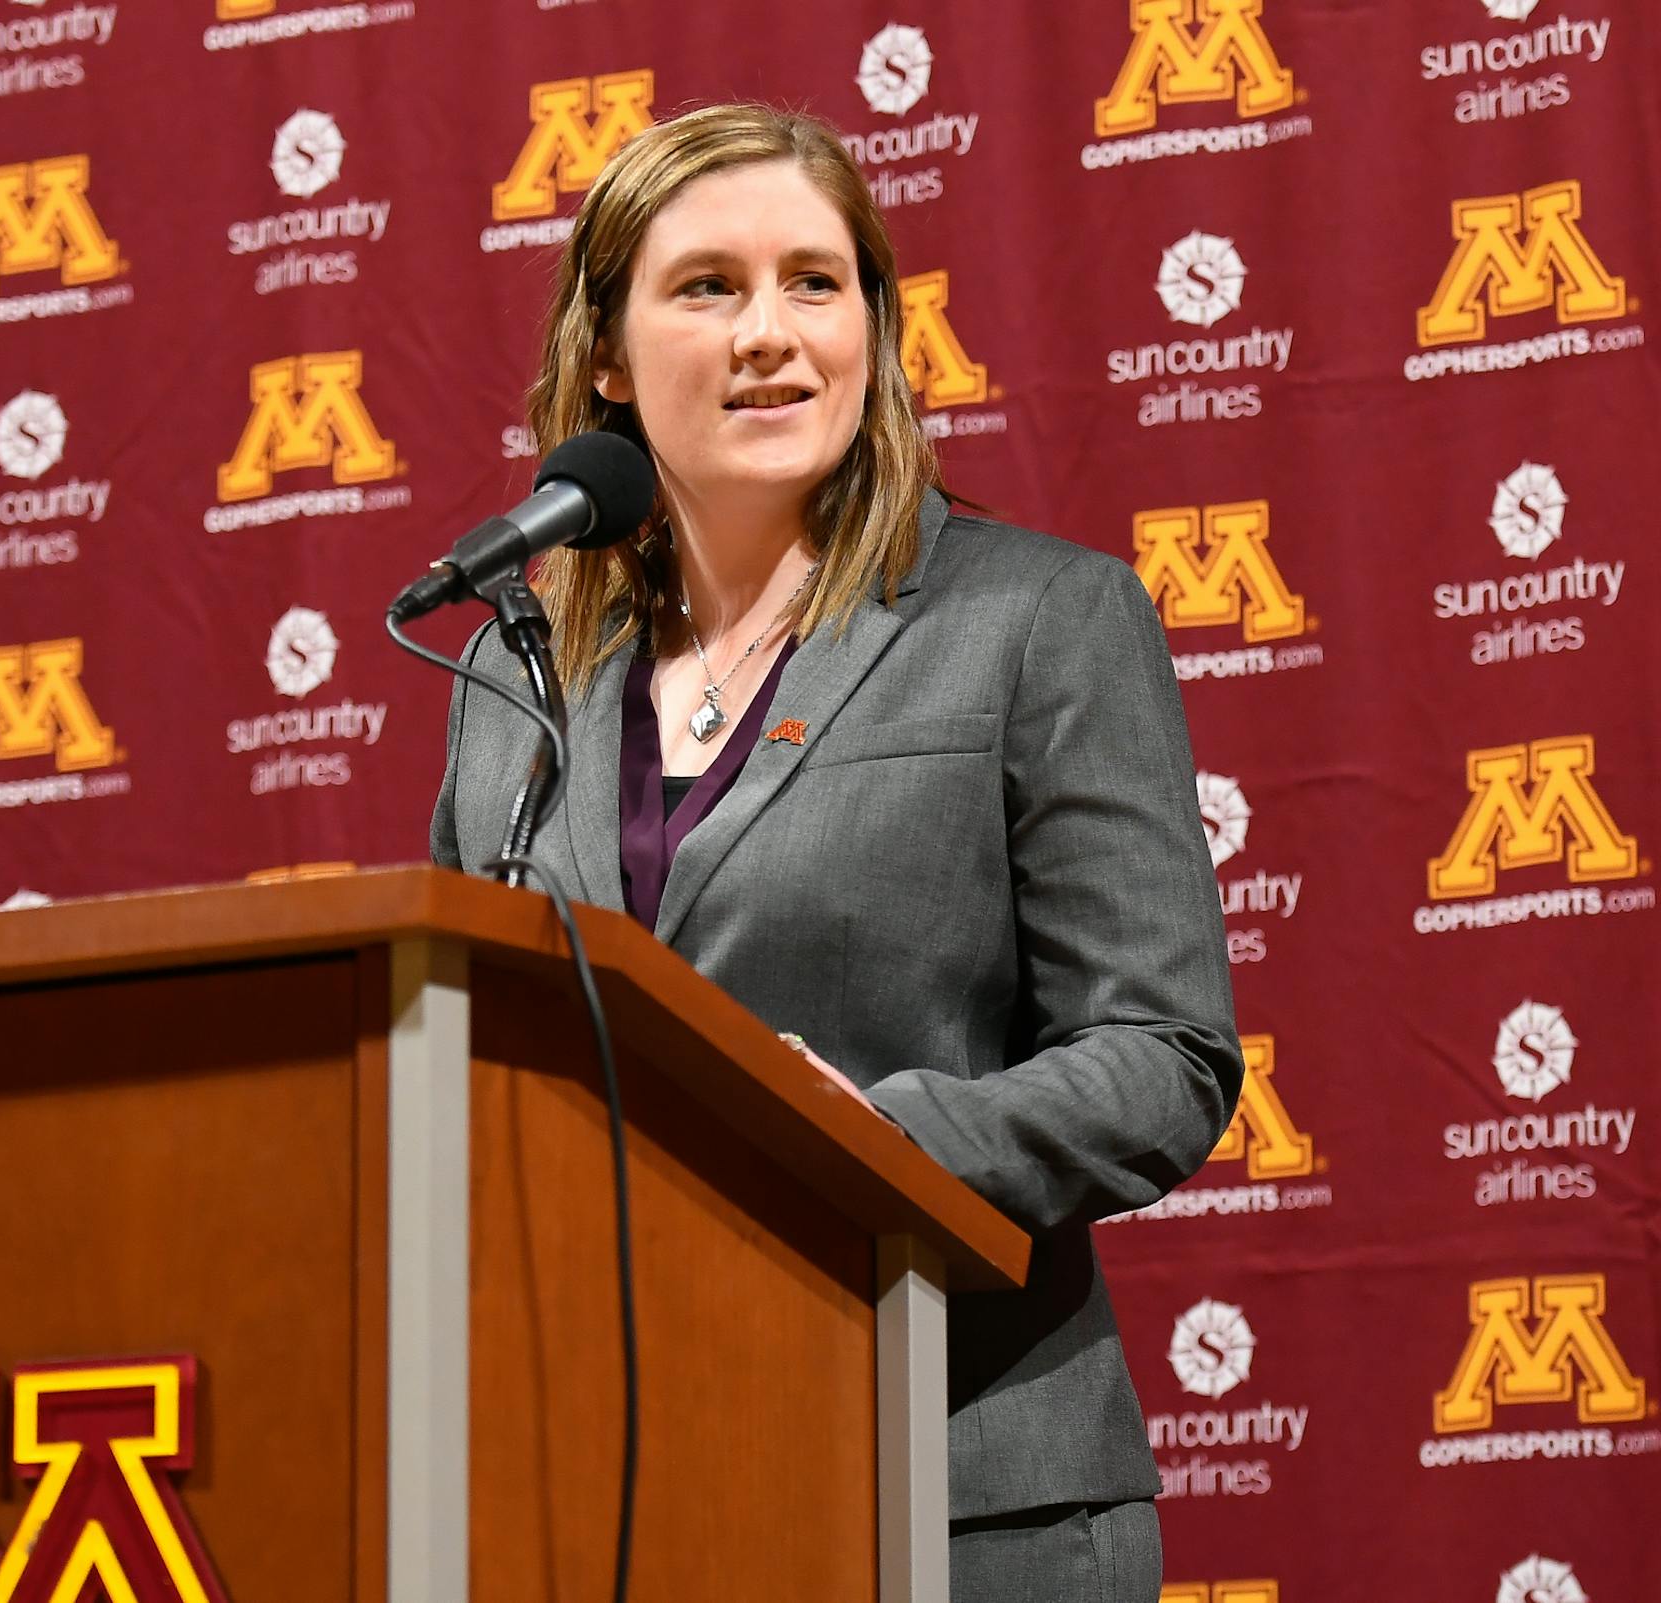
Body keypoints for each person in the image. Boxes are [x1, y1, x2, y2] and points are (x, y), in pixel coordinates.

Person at [430, 102, 1241, 1602]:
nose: (771, 334)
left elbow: (1164, 1055)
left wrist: (874, 1141)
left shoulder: (1036, 624)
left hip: (957, 1496)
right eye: (707, 287)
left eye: (818, 281)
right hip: (608, 1504)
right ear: (605, 354)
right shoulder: (518, 675)